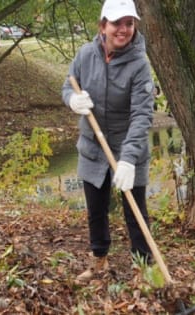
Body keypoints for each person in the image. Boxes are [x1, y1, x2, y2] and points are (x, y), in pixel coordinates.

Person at [62, 0, 155, 282]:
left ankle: (144, 268)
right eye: (117, 23)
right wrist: (72, 100)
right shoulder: (86, 55)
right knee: (97, 210)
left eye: (129, 23)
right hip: (93, 147)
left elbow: (142, 116)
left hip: (129, 147)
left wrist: (128, 159)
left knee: (135, 211)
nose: (123, 29)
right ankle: (99, 261)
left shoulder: (139, 65)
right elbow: (68, 84)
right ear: (103, 26)